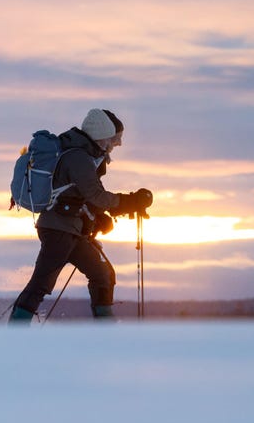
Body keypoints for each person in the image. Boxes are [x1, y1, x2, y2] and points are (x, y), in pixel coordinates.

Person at [9, 108, 152, 323]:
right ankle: (14, 334)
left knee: (102, 275)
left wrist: (97, 217)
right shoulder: (79, 158)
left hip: (70, 230)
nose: (118, 144)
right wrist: (131, 201)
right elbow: (96, 196)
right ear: (101, 135)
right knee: (41, 283)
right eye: (115, 138)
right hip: (58, 230)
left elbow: (81, 196)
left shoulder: (87, 157)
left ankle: (106, 331)